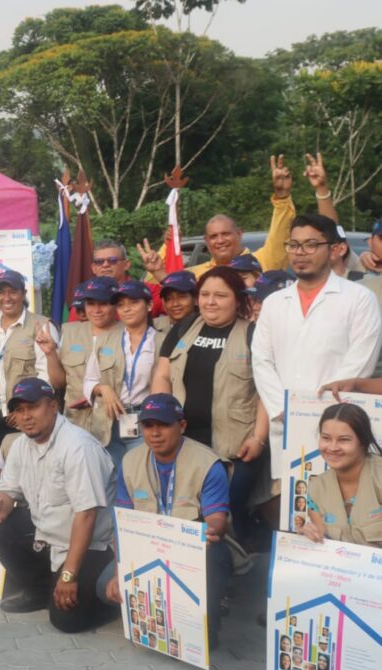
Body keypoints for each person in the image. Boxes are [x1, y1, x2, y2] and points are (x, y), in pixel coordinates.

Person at [252, 214, 382, 486]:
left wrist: (315, 413)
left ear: (334, 249)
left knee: (341, 507)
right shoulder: (275, 302)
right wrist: (282, 409)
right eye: (294, 245)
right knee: (294, 512)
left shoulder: (359, 298)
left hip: (339, 425)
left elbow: (360, 363)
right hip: (285, 424)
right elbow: (262, 361)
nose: (300, 253)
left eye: (311, 244)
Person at [0, 378, 117, 633]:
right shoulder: (21, 444)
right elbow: (9, 488)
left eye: (33, 407)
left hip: (89, 547)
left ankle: (111, 602)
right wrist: (1, 504)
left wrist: (69, 576)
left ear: (53, 406)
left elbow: (86, 516)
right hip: (48, 537)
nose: (26, 416)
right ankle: (38, 590)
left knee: (66, 621)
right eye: (19, 410)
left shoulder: (77, 447)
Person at [98, 394, 232, 648]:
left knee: (216, 556)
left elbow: (217, 519)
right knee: (105, 587)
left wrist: (211, 529)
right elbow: (122, 521)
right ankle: (158, 613)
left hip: (192, 551)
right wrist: (119, 570)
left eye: (163, 425)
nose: (155, 433)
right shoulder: (130, 461)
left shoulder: (208, 463)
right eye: (148, 426)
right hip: (148, 548)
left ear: (181, 426)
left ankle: (207, 617)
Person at [152, 266, 267, 543]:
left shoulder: (254, 334)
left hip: (235, 448)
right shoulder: (182, 328)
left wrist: (259, 438)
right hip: (185, 444)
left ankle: (237, 570)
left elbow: (267, 391)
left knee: (226, 515)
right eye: (204, 294)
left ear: (237, 300)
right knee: (187, 513)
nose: (210, 301)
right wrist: (159, 420)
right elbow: (163, 375)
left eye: (220, 295)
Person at [144, 157, 300, 279]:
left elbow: (280, 235)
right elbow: (164, 285)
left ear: (239, 234)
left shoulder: (262, 261)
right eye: (213, 236)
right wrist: (167, 247)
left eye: (226, 234)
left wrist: (282, 197)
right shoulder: (198, 275)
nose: (220, 241)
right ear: (206, 241)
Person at [0, 269, 62, 454]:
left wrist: (24, 410)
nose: (6, 298)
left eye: (13, 291)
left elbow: (47, 378)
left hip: (24, 420)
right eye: (1, 292)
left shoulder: (42, 326)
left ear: (23, 293)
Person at [84, 280, 166, 467]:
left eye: (133, 303)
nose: (126, 309)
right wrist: (104, 388)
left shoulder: (162, 341)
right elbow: (89, 380)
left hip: (145, 422)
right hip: (108, 423)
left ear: (150, 305)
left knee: (139, 478)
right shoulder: (105, 340)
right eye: (121, 305)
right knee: (110, 481)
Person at [299, 403, 382, 546]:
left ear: (363, 442)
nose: (332, 447)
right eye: (326, 438)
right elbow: (322, 540)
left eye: (344, 440)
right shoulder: (317, 488)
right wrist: (311, 534)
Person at [58, 277, 117, 437]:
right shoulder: (69, 332)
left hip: (113, 423)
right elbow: (59, 381)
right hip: (74, 422)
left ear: (116, 304)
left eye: (103, 304)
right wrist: (50, 353)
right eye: (90, 304)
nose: (96, 310)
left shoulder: (127, 333)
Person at [75, 240, 164, 321]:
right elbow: (75, 330)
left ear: (126, 265)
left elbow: (176, 304)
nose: (105, 265)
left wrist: (159, 272)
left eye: (112, 260)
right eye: (99, 262)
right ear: (93, 268)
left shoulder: (148, 291)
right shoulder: (84, 294)